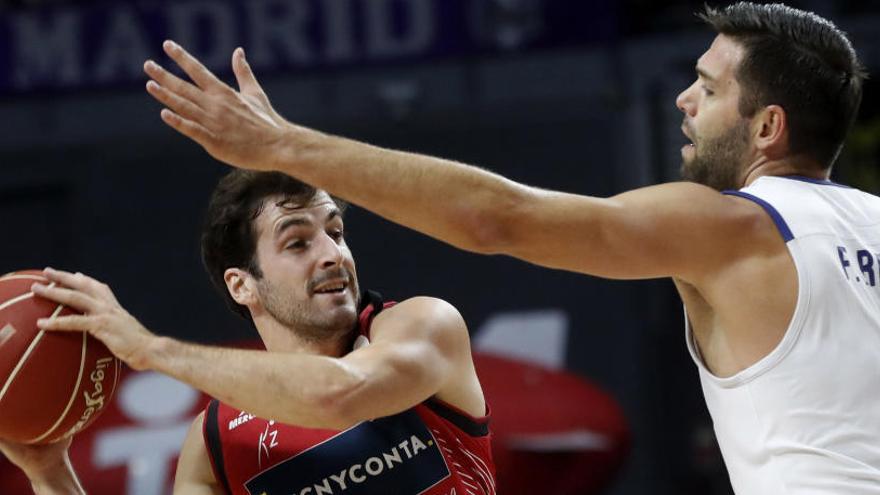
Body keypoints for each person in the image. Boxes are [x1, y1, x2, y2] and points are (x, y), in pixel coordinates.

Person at [141, 2, 879, 493]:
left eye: (709, 89)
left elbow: (498, 218)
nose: (685, 100)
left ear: (767, 126)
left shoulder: (729, 224)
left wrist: (284, 145)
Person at [1, 171, 495, 495]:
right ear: (242, 285)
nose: (333, 254)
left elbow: (341, 393)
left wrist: (150, 349)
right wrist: (49, 474)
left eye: (336, 232)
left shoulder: (424, 325)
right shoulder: (217, 442)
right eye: (299, 241)